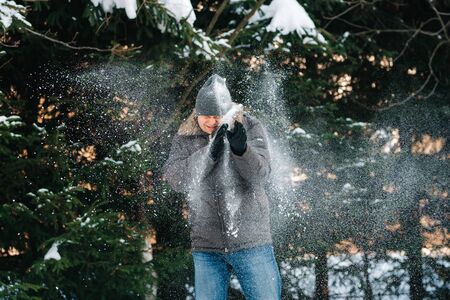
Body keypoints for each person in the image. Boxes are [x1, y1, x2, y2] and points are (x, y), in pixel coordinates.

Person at [163, 74, 281, 300]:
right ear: (197, 113)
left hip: (252, 242)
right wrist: (210, 154)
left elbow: (261, 175)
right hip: (207, 246)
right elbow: (176, 178)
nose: (211, 122)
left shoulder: (250, 127)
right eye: (205, 116)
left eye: (217, 116)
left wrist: (241, 150)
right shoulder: (185, 136)